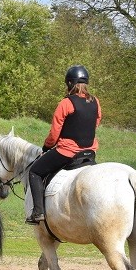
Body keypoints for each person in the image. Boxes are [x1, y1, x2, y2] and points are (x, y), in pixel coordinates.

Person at [25, 65, 101, 224]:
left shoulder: (66, 103)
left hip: (68, 152)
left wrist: (46, 148)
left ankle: (38, 212)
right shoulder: (95, 102)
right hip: (90, 152)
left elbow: (54, 133)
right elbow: (96, 123)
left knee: (35, 172)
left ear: (69, 83)